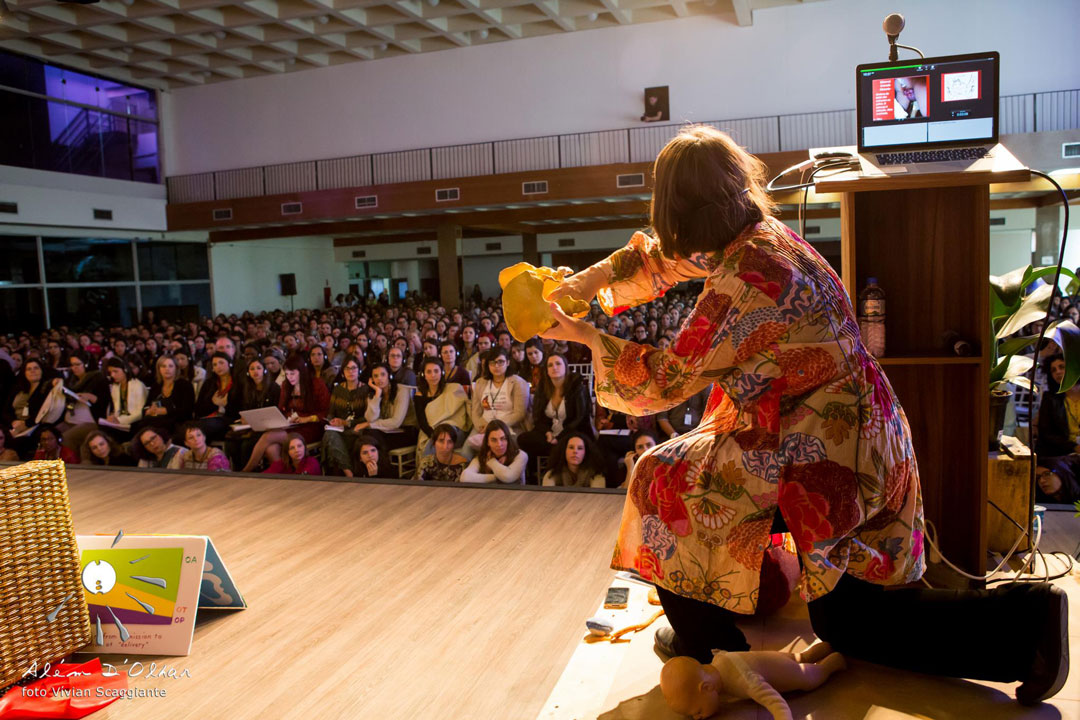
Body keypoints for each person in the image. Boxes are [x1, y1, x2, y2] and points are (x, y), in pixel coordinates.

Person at [540, 124, 1067, 704]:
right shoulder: (762, 238)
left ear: (677, 210)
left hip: (822, 448)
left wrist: (586, 335)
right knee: (846, 597)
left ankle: (1027, 622)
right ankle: (712, 634)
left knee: (845, 615)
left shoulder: (745, 279)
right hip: (856, 430)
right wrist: (583, 283)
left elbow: (667, 381)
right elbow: (662, 262)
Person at [241, 354, 329, 472]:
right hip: (292, 425)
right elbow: (281, 409)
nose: (289, 377)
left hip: (311, 427)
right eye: (287, 374)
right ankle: (286, 476)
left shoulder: (316, 384)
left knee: (268, 436)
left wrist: (307, 418)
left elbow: (325, 412)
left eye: (292, 373)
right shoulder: (286, 385)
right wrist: (285, 419)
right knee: (271, 448)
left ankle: (246, 471)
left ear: (301, 371)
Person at [517, 353, 594, 480]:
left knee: (567, 443)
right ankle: (540, 475)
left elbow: (579, 418)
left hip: (573, 431)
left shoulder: (577, 387)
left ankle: (552, 472)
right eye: (550, 365)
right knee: (523, 439)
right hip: (550, 434)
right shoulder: (542, 388)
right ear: (546, 370)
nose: (554, 367)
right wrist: (547, 433)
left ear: (565, 367)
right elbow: (538, 417)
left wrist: (559, 438)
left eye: (558, 364)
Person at [467, 348, 529, 450]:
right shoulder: (480, 382)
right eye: (492, 363)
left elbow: (519, 413)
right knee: (466, 452)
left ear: (508, 362)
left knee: (498, 448)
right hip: (484, 426)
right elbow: (475, 412)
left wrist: (494, 427)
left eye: (500, 362)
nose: (496, 366)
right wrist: (482, 426)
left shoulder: (518, 383)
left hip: (509, 426)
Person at [414, 358, 470, 466]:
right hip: (431, 431)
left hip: (454, 430)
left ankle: (427, 471)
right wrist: (433, 435)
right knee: (436, 442)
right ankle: (427, 474)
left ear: (442, 372)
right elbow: (422, 422)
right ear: (423, 375)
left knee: (443, 437)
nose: (433, 375)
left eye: (436, 371)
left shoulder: (453, 389)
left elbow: (461, 414)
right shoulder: (419, 395)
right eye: (429, 372)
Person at [320, 357, 370, 477]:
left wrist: (347, 423)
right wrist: (332, 421)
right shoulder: (338, 389)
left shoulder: (366, 389)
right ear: (342, 372)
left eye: (354, 368)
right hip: (339, 429)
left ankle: (345, 472)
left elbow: (368, 418)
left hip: (357, 428)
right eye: (347, 369)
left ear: (359, 370)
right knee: (329, 434)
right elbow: (331, 412)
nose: (350, 371)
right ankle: (349, 472)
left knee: (335, 440)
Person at [353, 363, 417, 452]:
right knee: (364, 437)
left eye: (383, 374)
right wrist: (377, 395)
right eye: (375, 376)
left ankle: (380, 464)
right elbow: (370, 418)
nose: (379, 378)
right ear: (372, 380)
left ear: (389, 375)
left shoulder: (401, 391)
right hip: (386, 431)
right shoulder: (374, 393)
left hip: (406, 432)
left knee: (370, 437)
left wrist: (369, 425)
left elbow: (396, 422)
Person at [136, 355, 195, 440]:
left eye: (170, 366)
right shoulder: (156, 386)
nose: (167, 369)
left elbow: (187, 410)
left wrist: (166, 411)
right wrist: (148, 410)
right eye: (163, 366)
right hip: (155, 421)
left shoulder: (185, 385)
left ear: (176, 368)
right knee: (141, 425)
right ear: (159, 369)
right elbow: (146, 406)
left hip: (177, 423)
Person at [1035, 354, 1078, 458]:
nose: (1057, 372)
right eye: (1053, 370)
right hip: (1061, 452)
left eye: (1061, 367)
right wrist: (1074, 447)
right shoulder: (1049, 398)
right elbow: (1047, 434)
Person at [461, 420, 528, 484]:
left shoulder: (521, 455)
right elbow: (464, 478)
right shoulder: (482, 457)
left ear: (508, 440)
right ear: (488, 442)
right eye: (494, 440)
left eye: (503, 439)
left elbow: (508, 477)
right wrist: (497, 476)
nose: (499, 444)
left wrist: (492, 462)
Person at [193, 352, 236, 442]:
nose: (218, 367)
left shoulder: (238, 383)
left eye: (221, 363)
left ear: (229, 364)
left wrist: (225, 405)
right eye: (215, 364)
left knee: (201, 428)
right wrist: (213, 403)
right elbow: (198, 409)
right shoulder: (209, 383)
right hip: (209, 418)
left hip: (229, 419)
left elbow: (240, 409)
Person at [541, 431, 606, 488]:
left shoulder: (596, 474)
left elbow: (597, 499)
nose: (575, 451)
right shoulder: (553, 473)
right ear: (564, 450)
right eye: (571, 447)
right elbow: (547, 497)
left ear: (586, 452)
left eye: (580, 448)